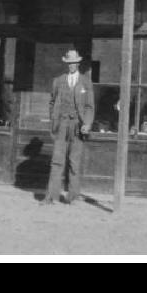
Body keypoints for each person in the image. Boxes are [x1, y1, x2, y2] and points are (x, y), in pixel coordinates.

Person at [40, 48, 94, 205]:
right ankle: (51, 196)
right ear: (66, 64)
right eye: (69, 63)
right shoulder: (58, 81)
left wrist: (87, 123)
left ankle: (73, 197)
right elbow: (51, 102)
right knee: (57, 161)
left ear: (78, 63)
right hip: (61, 125)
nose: (72, 65)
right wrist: (54, 119)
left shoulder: (85, 81)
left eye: (74, 63)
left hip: (77, 125)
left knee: (74, 162)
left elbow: (90, 106)